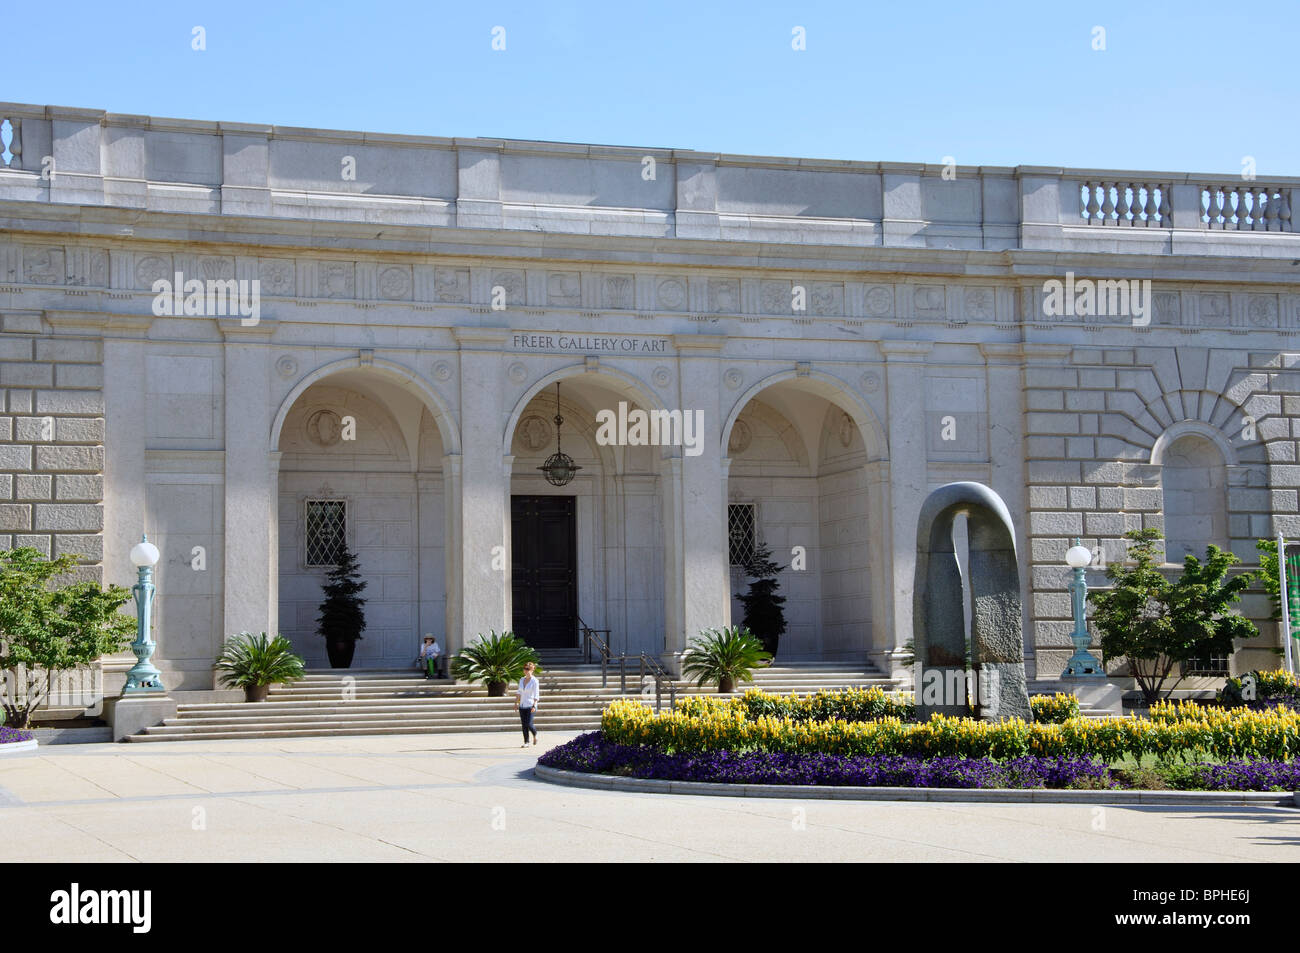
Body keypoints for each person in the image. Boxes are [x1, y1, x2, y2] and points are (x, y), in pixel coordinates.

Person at [515, 661, 540, 747]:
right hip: (522, 705)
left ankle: (535, 734)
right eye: (524, 669)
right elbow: (519, 692)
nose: (526, 670)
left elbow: (536, 694)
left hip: (530, 705)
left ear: (532, 669)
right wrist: (516, 703)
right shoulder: (522, 680)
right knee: (523, 724)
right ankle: (526, 742)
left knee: (529, 723)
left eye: (527, 669)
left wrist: (534, 705)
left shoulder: (534, 681)